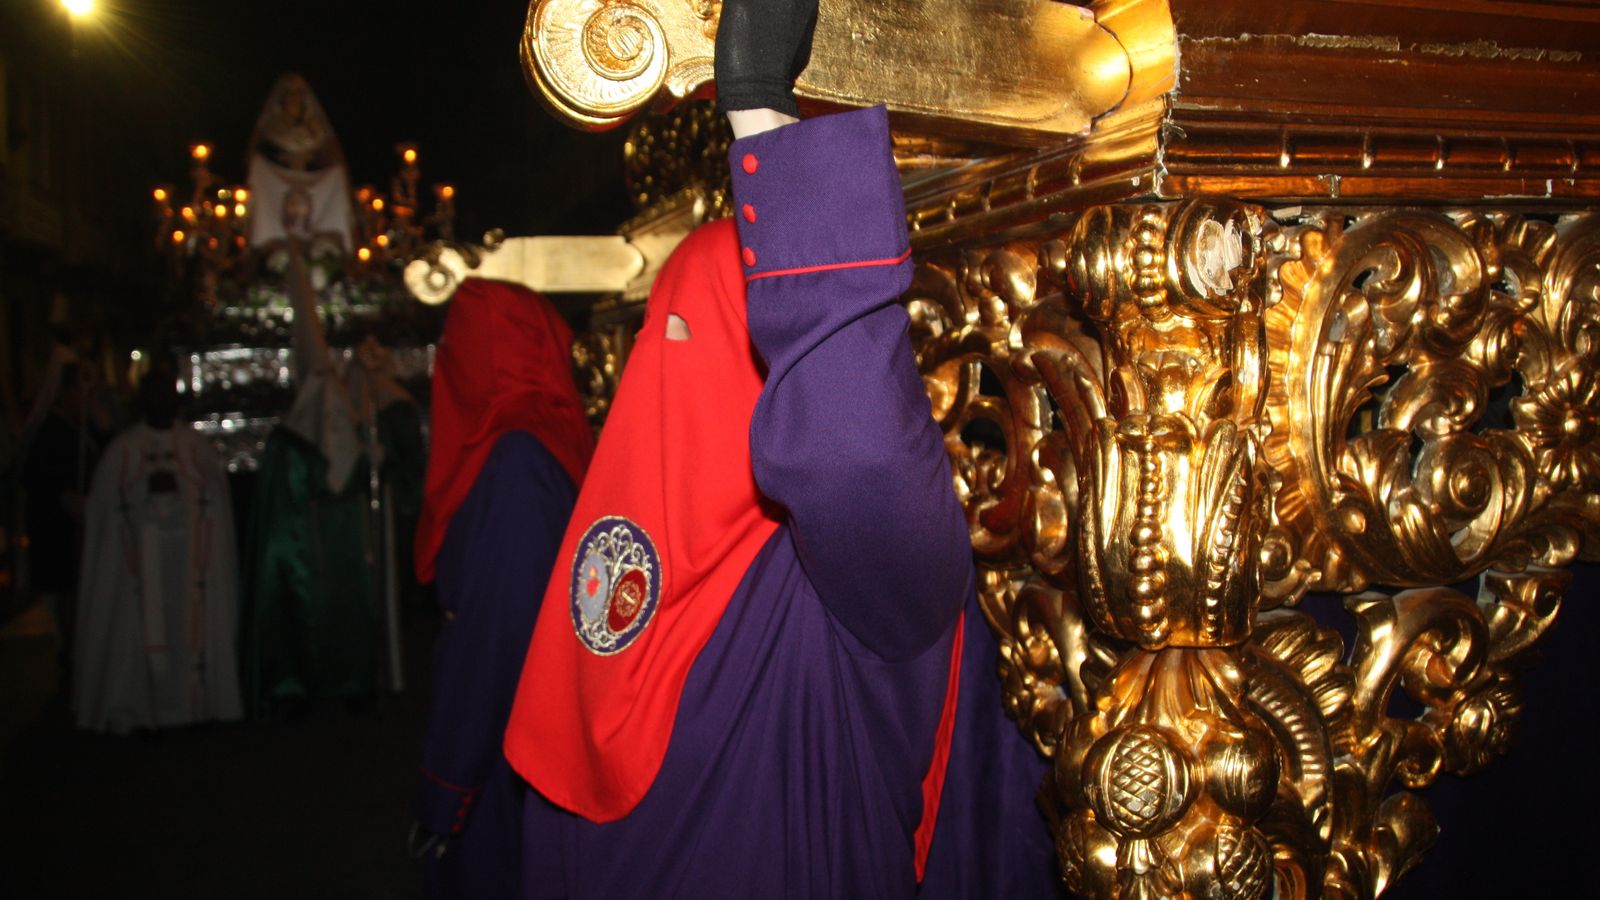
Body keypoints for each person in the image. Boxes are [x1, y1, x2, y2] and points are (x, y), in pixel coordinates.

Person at [501, 1, 1059, 895]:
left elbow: (854, 457)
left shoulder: (845, 582)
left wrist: (763, 115)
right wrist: (762, 115)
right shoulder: (698, 569)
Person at [409, 278, 596, 898]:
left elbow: (495, 645)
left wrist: (446, 788)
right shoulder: (525, 441)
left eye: (456, 347)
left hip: (502, 755)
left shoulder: (517, 463)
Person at [238, 240, 423, 716]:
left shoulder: (358, 416)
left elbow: (362, 469)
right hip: (312, 549)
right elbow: (311, 485)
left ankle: (353, 680)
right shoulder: (290, 443)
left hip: (348, 548)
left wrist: (372, 462)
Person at [72, 365, 242, 733]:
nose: (162, 401)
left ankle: (194, 706)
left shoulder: (195, 446)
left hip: (190, 567)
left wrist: (182, 490)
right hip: (140, 567)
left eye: (167, 393)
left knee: (187, 629)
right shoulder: (124, 449)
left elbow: (215, 498)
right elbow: (106, 510)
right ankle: (140, 708)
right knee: (144, 629)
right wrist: (144, 494)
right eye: (155, 394)